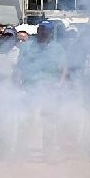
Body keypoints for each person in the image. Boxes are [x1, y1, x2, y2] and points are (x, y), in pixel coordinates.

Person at [17, 20, 67, 156]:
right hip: (30, 88)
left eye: (46, 30)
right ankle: (21, 150)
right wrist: (18, 84)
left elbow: (63, 68)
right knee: (26, 119)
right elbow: (20, 67)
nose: (43, 32)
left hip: (50, 90)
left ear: (50, 32)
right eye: (41, 29)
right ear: (38, 31)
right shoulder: (27, 47)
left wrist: (60, 84)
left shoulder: (57, 48)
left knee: (49, 121)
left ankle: (48, 151)